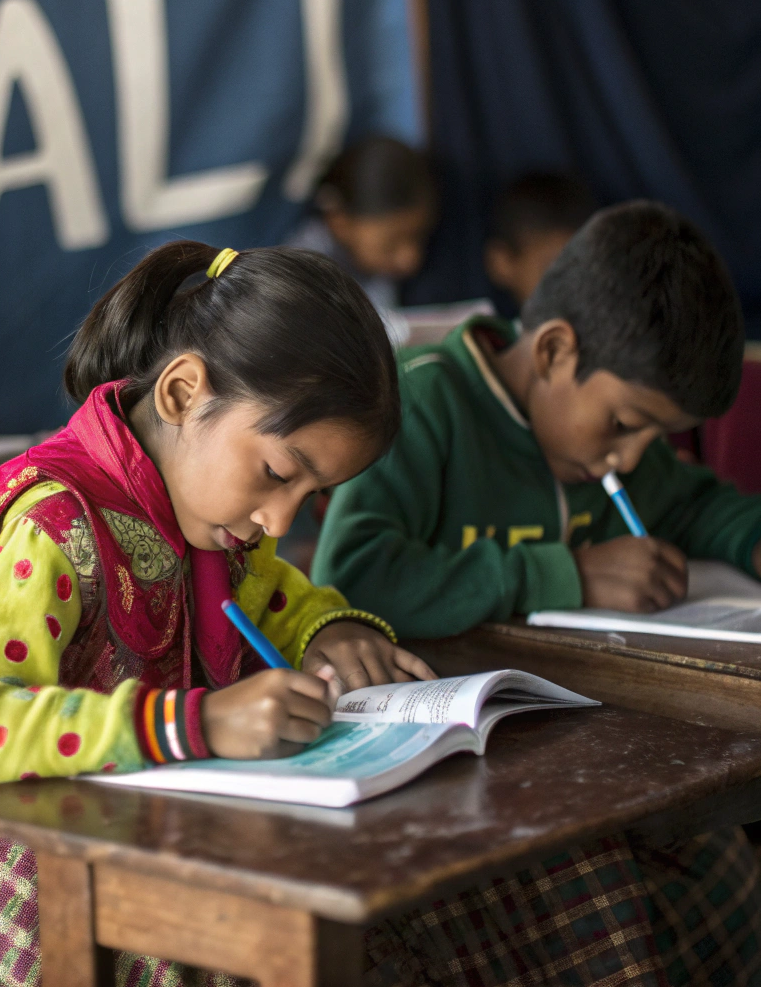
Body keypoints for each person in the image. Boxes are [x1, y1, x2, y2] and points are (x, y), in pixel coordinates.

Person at [0, 241, 435, 987]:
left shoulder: (203, 512)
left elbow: (273, 592)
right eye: (277, 473)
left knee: (412, 901)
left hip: (148, 847)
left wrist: (328, 627)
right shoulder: (54, 523)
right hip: (45, 910)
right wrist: (194, 722)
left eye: (310, 497)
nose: (277, 517)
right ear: (180, 393)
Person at [314, 201, 761, 986]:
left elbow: (697, 501)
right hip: (446, 769)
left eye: (653, 437)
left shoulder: (609, 451)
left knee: (722, 871)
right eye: (625, 423)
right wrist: (568, 573)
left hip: (580, 750)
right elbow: (353, 575)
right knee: (602, 909)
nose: (631, 456)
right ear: (554, 349)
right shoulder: (424, 406)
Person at [287, 135, 439, 319]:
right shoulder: (298, 278)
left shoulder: (379, 271)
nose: (410, 259)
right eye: (390, 244)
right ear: (339, 221)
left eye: (419, 237)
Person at [484, 169, 597, 311]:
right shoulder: (480, 332)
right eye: (550, 270)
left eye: (578, 268)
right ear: (501, 262)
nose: (569, 286)